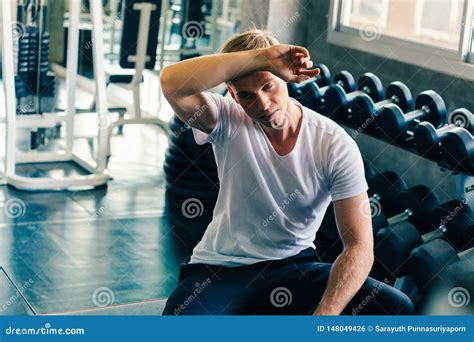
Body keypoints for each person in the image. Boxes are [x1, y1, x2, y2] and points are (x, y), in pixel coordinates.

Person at [159, 29, 414, 315]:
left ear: (285, 78)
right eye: (246, 95)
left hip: (294, 266)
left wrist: (325, 316)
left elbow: (359, 247)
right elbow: (171, 82)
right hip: (222, 270)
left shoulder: (333, 143)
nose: (263, 105)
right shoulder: (227, 118)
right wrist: (264, 57)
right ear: (232, 94)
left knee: (394, 307)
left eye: (268, 86)